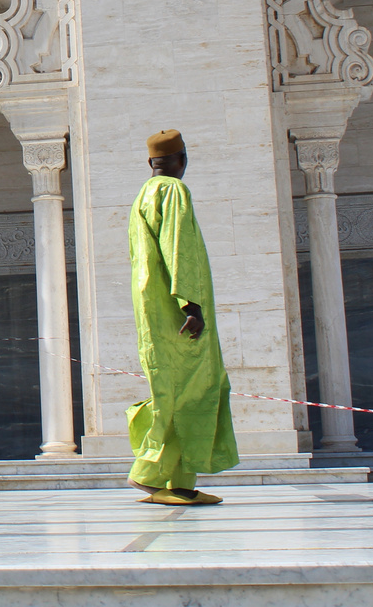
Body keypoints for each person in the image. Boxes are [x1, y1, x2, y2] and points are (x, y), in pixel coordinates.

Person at [125, 129, 239, 505]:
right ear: (182, 160)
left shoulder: (142, 195)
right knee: (184, 393)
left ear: (150, 163)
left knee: (186, 393)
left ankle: (181, 483)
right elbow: (178, 249)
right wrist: (191, 306)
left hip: (154, 310)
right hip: (176, 311)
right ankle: (148, 472)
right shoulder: (173, 192)